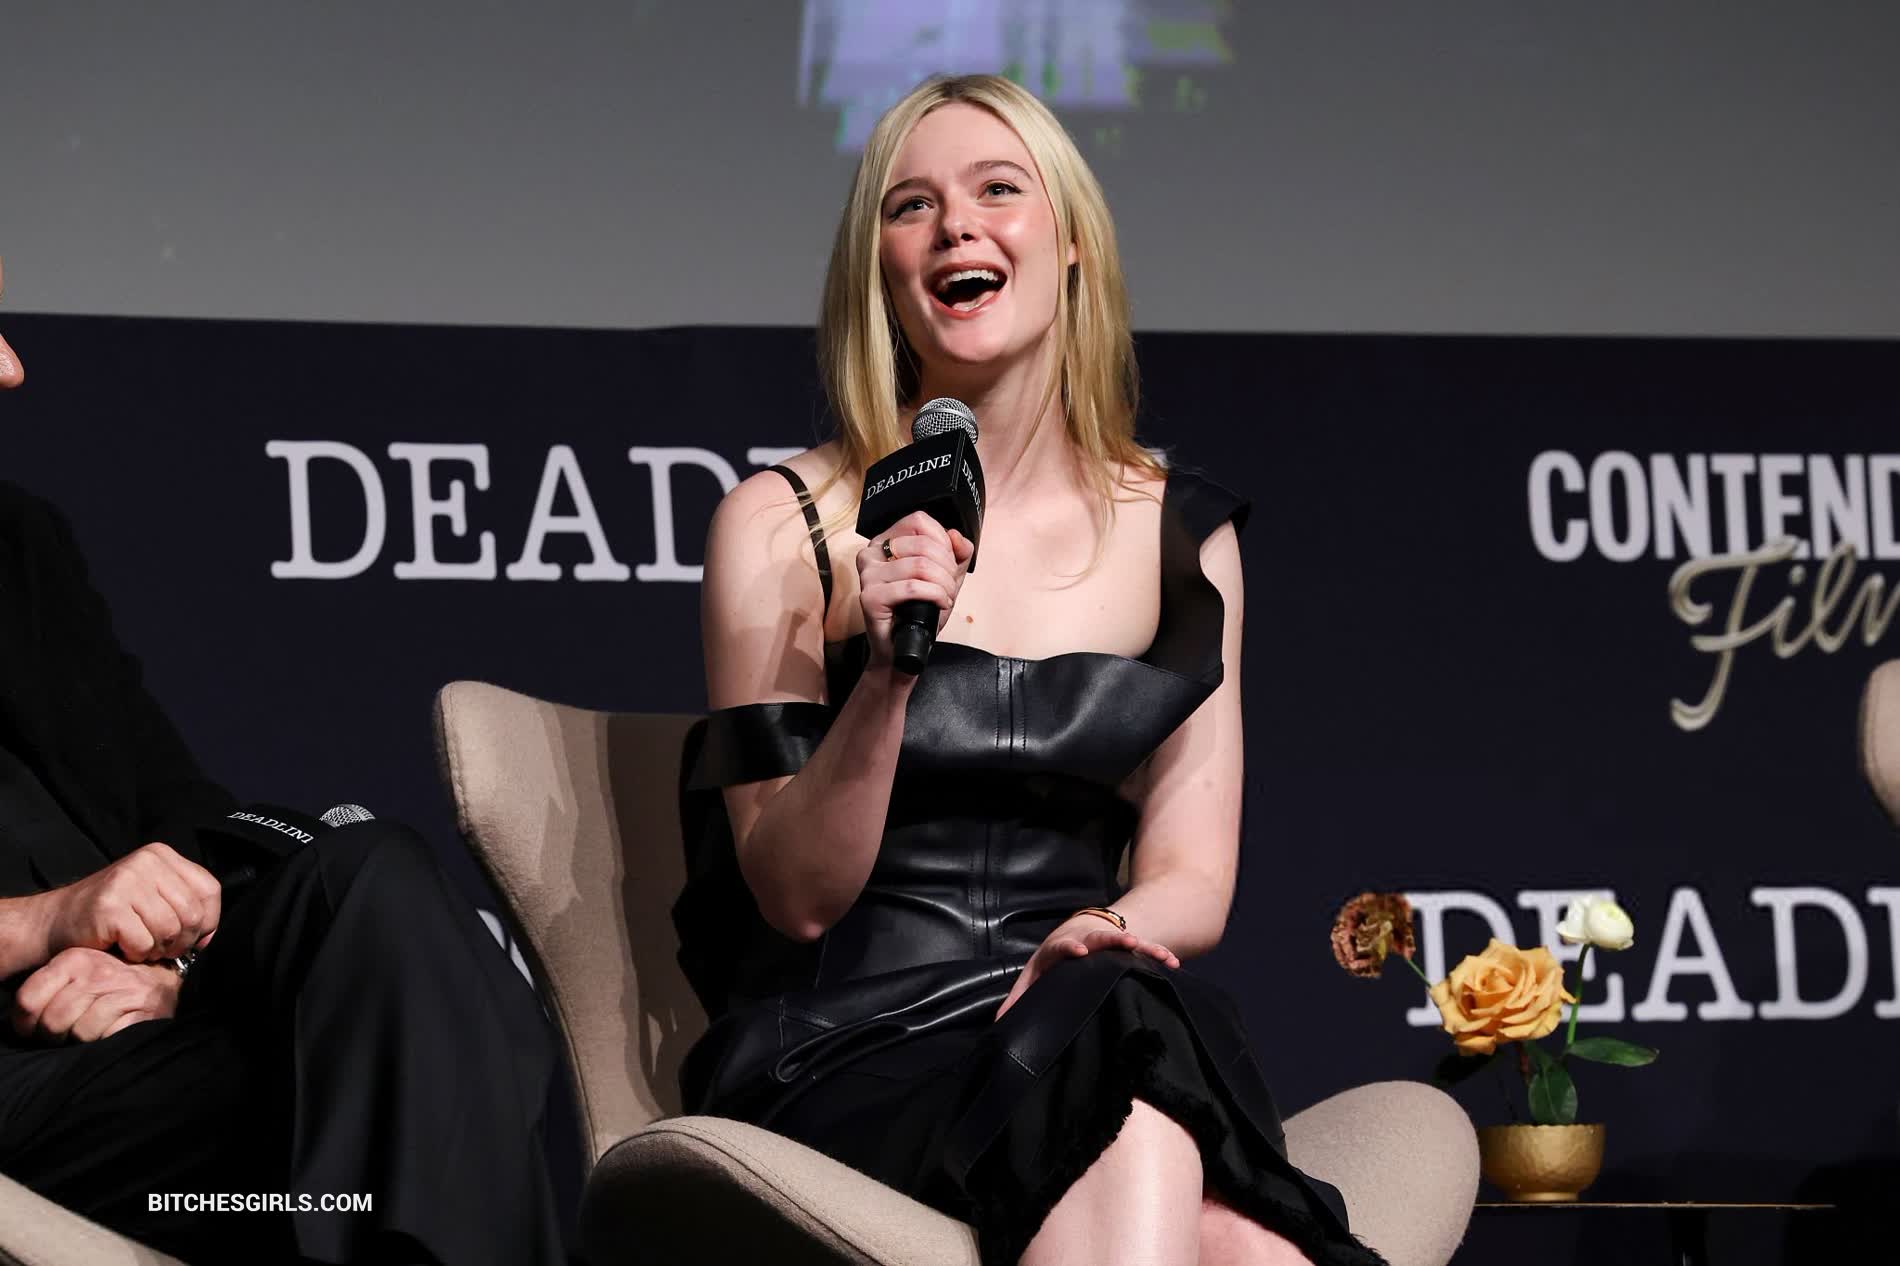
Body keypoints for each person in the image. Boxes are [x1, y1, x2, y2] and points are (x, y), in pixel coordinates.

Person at [674, 76, 1384, 1266]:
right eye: (910, 206)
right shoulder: (783, 523)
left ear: (1070, 243)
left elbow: (1191, 878)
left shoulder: (1181, 534)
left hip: (1089, 1005)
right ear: (881, 269)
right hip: (849, 1048)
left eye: (997, 190)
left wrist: (1092, 936)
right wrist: (887, 676)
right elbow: (794, 896)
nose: (955, 225)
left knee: (1149, 1083)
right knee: (1215, 1206)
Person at [0, 256, 569, 1265]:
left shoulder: (18, 542)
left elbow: (181, 808)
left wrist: (166, 969)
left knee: (372, 882)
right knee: (426, 1082)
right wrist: (47, 923)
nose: (10, 367)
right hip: (22, 1096)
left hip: (141, 1058)